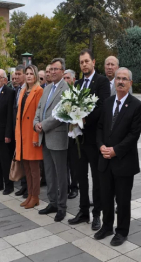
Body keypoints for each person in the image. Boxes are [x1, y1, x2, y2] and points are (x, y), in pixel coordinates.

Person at [95, 67, 141, 246]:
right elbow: (100, 127)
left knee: (123, 200)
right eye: (118, 78)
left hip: (123, 161)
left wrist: (115, 150)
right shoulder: (107, 103)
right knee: (106, 196)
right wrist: (101, 146)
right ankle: (107, 226)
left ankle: (121, 231)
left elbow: (133, 135)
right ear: (114, 81)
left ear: (130, 83)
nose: (121, 81)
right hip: (105, 160)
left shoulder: (137, 106)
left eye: (125, 79)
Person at [68, 49, 110, 231]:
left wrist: (84, 119)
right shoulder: (76, 83)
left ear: (93, 62)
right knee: (80, 177)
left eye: (86, 61)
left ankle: (97, 215)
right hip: (78, 139)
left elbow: (102, 107)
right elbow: (70, 105)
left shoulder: (101, 82)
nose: (84, 64)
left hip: (94, 138)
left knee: (96, 177)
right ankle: (83, 210)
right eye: (81, 62)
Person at [34, 58, 69, 222]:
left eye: (56, 69)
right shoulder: (46, 88)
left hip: (57, 136)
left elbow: (62, 114)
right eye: (51, 69)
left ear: (63, 71)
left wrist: (43, 125)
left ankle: (62, 206)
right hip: (45, 137)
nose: (53, 72)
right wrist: (36, 123)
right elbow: (39, 108)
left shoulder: (66, 89)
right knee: (49, 172)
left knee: (60, 174)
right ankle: (52, 202)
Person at [15, 65, 44, 208]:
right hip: (22, 134)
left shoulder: (39, 91)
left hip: (32, 134)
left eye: (31, 73)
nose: (28, 76)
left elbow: (39, 116)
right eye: (27, 73)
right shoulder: (23, 91)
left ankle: (35, 196)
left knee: (34, 169)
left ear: (36, 75)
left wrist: (35, 137)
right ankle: (30, 195)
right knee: (26, 167)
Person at [63, 69, 79, 199]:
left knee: (74, 163)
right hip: (62, 133)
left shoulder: (77, 94)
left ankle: (75, 187)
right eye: (64, 78)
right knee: (64, 162)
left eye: (68, 78)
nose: (65, 80)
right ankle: (66, 186)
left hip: (74, 134)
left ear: (73, 79)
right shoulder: (61, 94)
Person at [13, 65, 28, 198]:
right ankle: (24, 185)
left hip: (26, 131)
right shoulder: (18, 89)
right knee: (21, 159)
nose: (16, 77)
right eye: (15, 74)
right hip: (18, 129)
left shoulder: (27, 90)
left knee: (27, 161)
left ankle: (28, 187)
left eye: (19, 74)